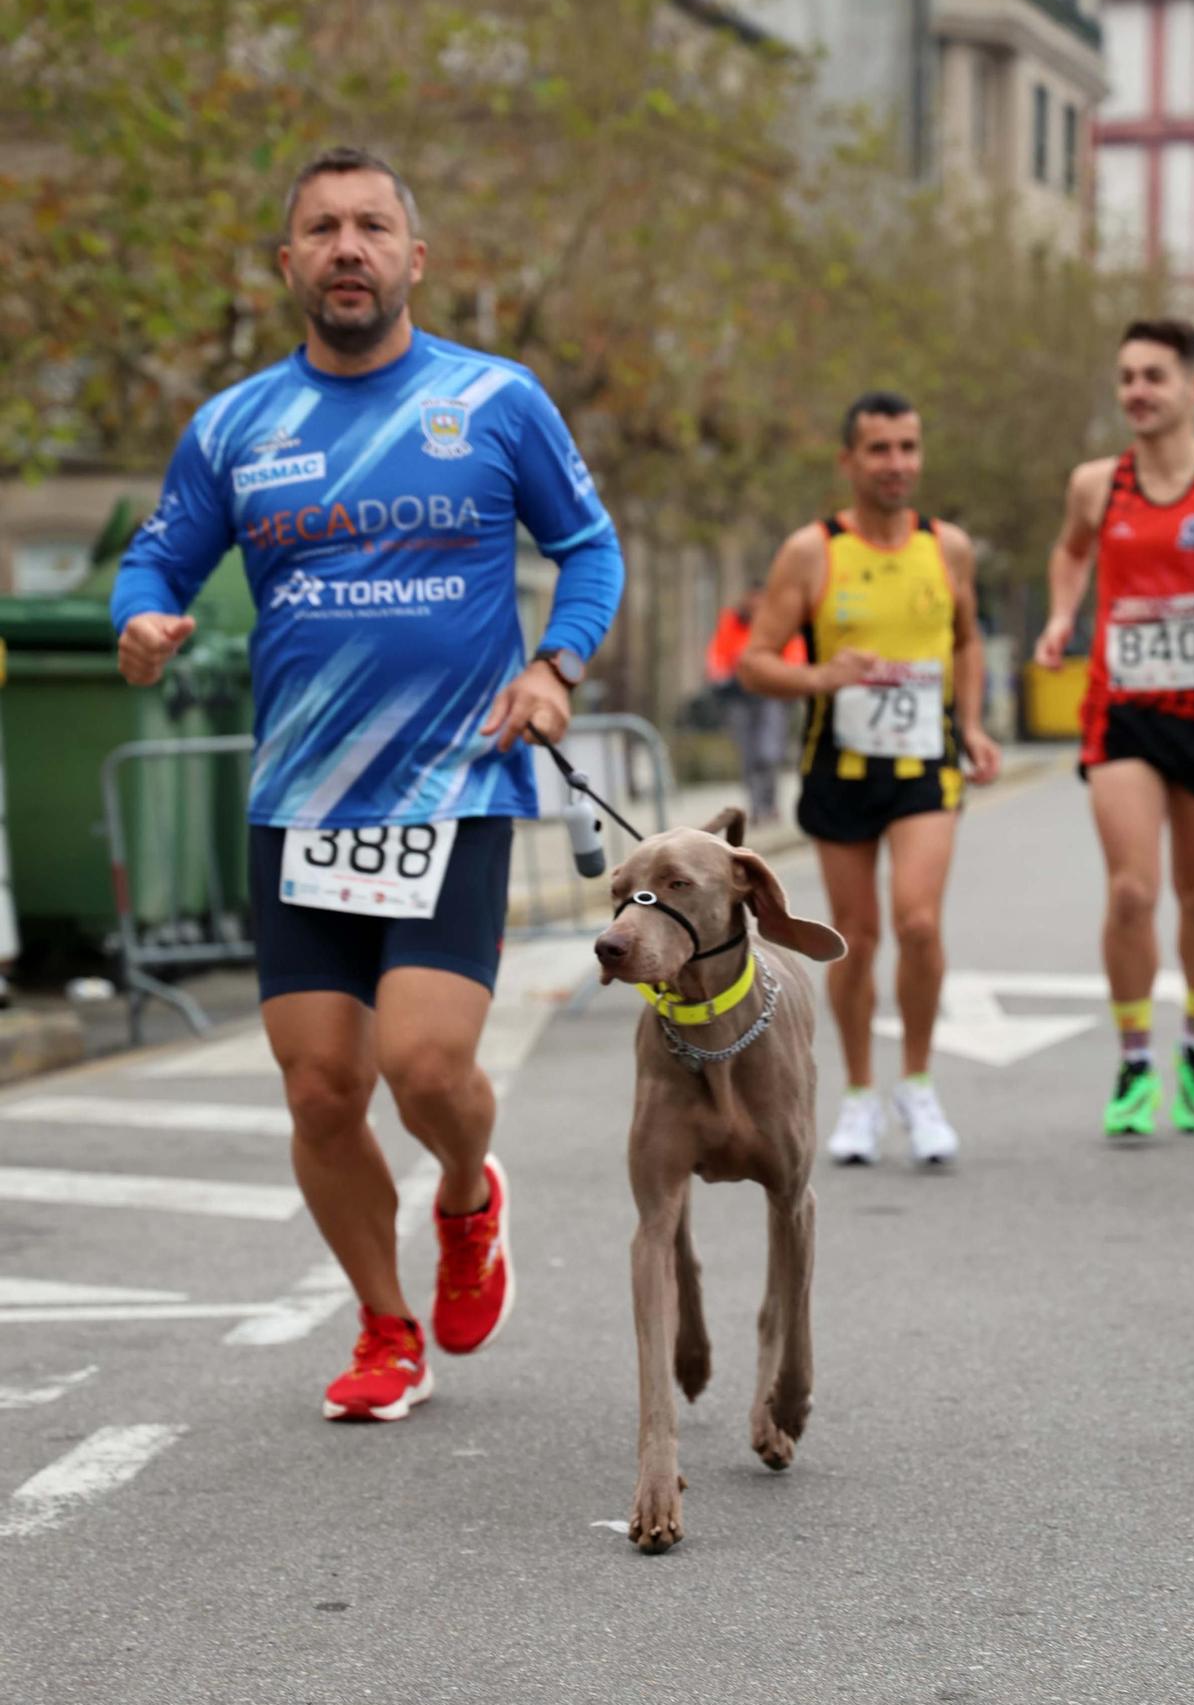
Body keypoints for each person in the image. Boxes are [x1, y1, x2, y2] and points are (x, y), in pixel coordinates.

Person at [112, 146, 623, 1421]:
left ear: (415, 258)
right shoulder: (234, 425)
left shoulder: (495, 400)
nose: (349, 247)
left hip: (455, 788)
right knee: (321, 1088)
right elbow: (156, 559)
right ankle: (386, 1327)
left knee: (428, 1067)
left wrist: (556, 664)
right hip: (301, 801)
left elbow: (588, 545)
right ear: (287, 264)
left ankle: (465, 1195)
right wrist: (141, 620)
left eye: (372, 226)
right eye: (323, 229)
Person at [738, 390, 1001, 1169]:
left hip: (925, 765)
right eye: (879, 449)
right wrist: (823, 677)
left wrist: (976, 723)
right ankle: (856, 1094)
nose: (897, 464)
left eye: (908, 448)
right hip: (839, 768)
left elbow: (965, 642)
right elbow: (754, 662)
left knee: (917, 922)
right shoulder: (811, 552)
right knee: (856, 939)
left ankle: (916, 1086)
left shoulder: (946, 547)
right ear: (848, 461)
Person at [1036, 317, 1194, 1139]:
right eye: (1127, 377)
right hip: (1124, 710)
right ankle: (1137, 1059)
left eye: (1154, 377)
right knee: (1132, 890)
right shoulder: (1095, 485)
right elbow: (1070, 552)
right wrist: (1063, 613)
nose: (1136, 391)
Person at [705, 586, 803, 825]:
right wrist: (725, 673)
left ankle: (770, 804)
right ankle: (757, 807)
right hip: (739, 697)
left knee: (768, 752)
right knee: (748, 756)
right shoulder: (731, 624)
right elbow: (716, 657)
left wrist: (783, 674)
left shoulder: (779, 624)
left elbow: (795, 655)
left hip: (771, 695)